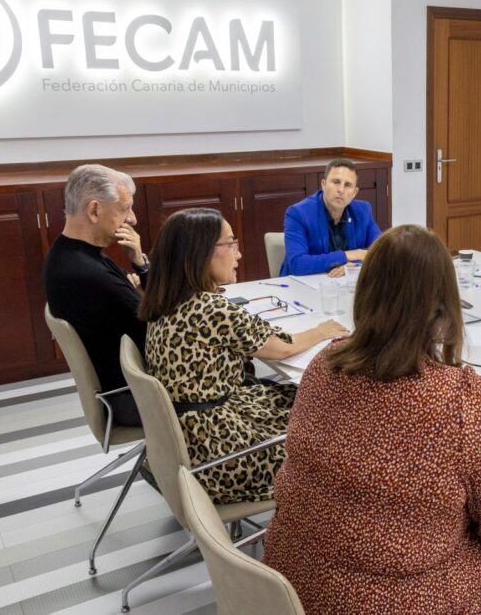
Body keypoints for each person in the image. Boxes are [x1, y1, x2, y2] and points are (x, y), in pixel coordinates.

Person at [262, 225, 481, 615]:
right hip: (389, 602)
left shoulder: (325, 363)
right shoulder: (465, 401)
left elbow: (385, 443)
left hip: (291, 587)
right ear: (444, 305)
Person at [138, 208, 347, 504]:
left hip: (188, 437)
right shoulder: (211, 309)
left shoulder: (165, 300)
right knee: (332, 425)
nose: (238, 254)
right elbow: (282, 347)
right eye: (230, 244)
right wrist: (321, 330)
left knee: (303, 398)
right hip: (221, 453)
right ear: (200, 253)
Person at [43, 164, 148, 426]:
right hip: (137, 398)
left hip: (122, 388)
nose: (133, 219)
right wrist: (143, 269)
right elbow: (162, 333)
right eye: (125, 208)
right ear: (94, 210)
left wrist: (138, 269)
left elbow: (143, 307)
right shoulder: (90, 275)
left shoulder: (65, 254)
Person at [280, 159, 383, 277]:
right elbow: (297, 264)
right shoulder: (298, 213)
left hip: (343, 282)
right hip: (302, 283)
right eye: (336, 182)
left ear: (354, 192)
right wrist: (347, 255)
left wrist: (355, 265)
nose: (341, 190)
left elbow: (382, 252)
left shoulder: (362, 211)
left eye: (347, 185)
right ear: (323, 185)